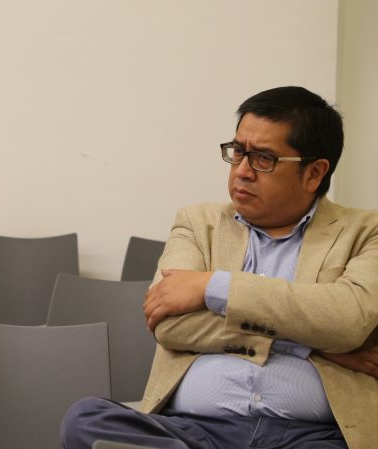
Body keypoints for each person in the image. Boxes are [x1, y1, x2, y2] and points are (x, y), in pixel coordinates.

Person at [61, 86, 378, 449]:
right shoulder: (197, 224)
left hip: (310, 436)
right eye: (238, 152)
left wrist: (214, 287)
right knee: (85, 418)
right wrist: (310, 344)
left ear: (314, 173)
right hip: (193, 432)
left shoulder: (366, 232)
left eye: (263, 158)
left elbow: (348, 319)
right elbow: (169, 323)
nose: (242, 171)